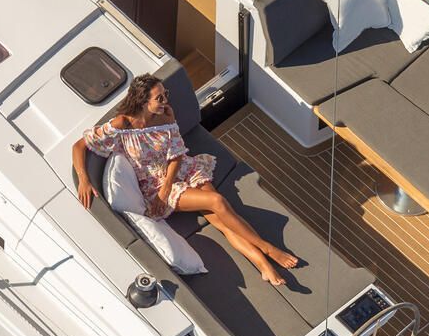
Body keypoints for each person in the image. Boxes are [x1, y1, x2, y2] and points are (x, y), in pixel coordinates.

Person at [72, 73, 298, 285]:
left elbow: (177, 154)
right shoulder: (122, 124)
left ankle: (262, 264)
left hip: (180, 171)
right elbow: (79, 146)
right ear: (142, 102)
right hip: (156, 186)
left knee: (221, 218)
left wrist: (168, 182)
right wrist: (84, 179)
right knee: (217, 202)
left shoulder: (165, 115)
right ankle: (268, 248)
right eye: (159, 97)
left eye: (165, 94)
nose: (165, 100)